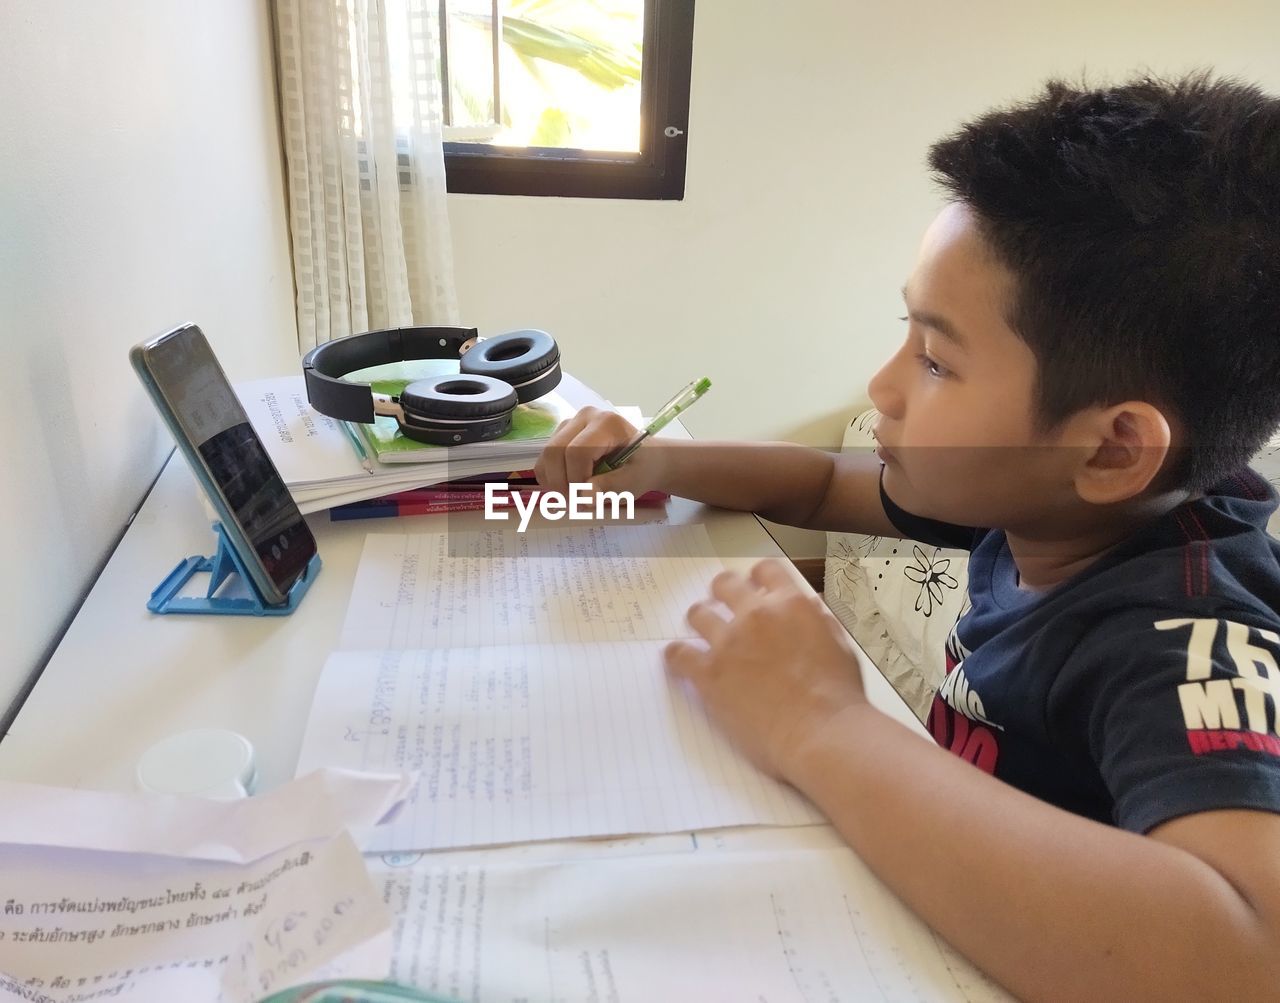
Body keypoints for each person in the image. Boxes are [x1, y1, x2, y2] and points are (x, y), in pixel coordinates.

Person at [535, 72, 1280, 1000]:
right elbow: (821, 481)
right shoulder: (1056, 503)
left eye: (935, 358)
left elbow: (1248, 955)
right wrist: (664, 464)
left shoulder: (1186, 637)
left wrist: (820, 722)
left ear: (1113, 447)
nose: (883, 387)